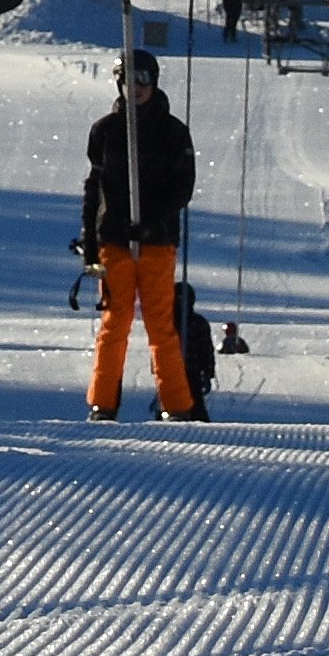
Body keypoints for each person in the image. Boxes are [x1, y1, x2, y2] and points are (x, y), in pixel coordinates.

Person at [83, 43, 203, 422]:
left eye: (142, 80)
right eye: (127, 80)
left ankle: (177, 404)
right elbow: (94, 189)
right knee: (114, 324)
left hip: (156, 242)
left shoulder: (172, 132)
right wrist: (90, 242)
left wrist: (151, 220)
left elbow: (182, 188)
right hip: (115, 242)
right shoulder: (105, 131)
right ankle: (103, 404)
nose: (135, 88)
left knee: (160, 325)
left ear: (154, 82)